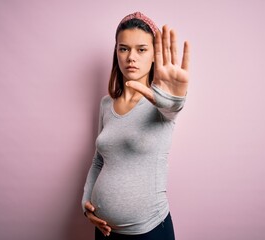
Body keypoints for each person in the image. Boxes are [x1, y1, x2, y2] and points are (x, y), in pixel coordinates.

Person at [81, 11, 189, 240]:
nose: (131, 57)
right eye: (124, 48)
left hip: (149, 233)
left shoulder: (160, 105)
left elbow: (172, 108)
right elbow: (99, 159)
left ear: (154, 56)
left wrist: (174, 99)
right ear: (116, 53)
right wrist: (86, 202)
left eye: (141, 49)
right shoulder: (105, 104)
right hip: (105, 230)